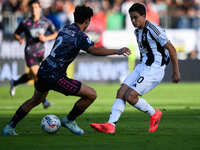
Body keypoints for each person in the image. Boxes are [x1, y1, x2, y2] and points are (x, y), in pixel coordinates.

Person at [1, 4, 131, 136]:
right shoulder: (81, 36)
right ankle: (69, 120)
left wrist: (87, 41)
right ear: (87, 21)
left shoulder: (66, 28)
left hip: (44, 69)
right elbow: (94, 50)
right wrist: (118, 51)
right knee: (91, 95)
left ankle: (9, 127)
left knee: (35, 100)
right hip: (56, 76)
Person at [90, 3, 181, 133]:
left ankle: (154, 113)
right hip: (143, 66)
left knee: (130, 97)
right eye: (131, 18)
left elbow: (171, 49)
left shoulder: (154, 29)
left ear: (144, 16)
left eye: (136, 17)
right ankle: (110, 125)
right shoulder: (137, 31)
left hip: (154, 69)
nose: (133, 21)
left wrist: (176, 71)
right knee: (121, 91)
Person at [10, 0, 58, 108]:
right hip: (30, 52)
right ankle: (43, 101)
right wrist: (20, 38)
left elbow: (55, 34)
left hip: (40, 53)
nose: (34, 10)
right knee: (37, 74)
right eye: (32, 8)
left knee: (32, 76)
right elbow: (15, 34)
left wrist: (45, 38)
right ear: (29, 9)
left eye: (36, 7)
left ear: (40, 9)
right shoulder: (25, 22)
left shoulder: (46, 22)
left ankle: (15, 82)